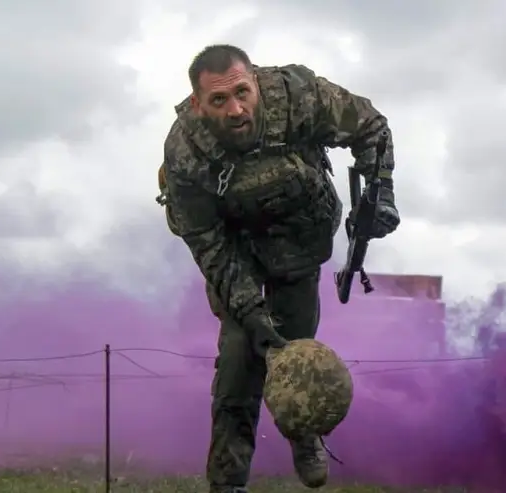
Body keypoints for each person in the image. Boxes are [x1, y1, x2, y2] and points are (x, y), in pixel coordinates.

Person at [157, 44, 400, 493]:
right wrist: (252, 316)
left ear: (255, 82)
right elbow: (209, 246)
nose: (235, 109)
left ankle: (304, 434)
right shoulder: (185, 152)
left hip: (299, 244)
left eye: (242, 93)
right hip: (238, 253)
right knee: (238, 367)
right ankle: (227, 483)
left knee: (299, 351)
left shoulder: (296, 96)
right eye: (218, 101)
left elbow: (371, 127)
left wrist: (380, 193)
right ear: (198, 103)